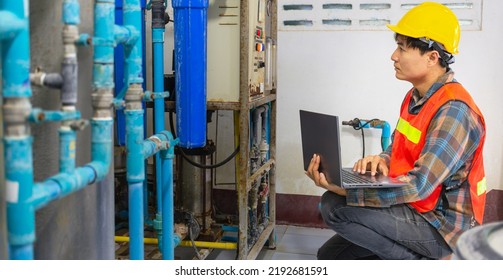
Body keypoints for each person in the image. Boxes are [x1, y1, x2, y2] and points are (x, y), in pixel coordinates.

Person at [305, 2, 487, 260]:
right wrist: (382, 160)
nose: (394, 56)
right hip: (415, 208)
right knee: (331, 257)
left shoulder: (454, 111)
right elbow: (399, 147)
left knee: (333, 205)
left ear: (432, 57)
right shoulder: (415, 97)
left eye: (402, 47)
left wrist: (349, 191)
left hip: (444, 228)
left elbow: (419, 185)